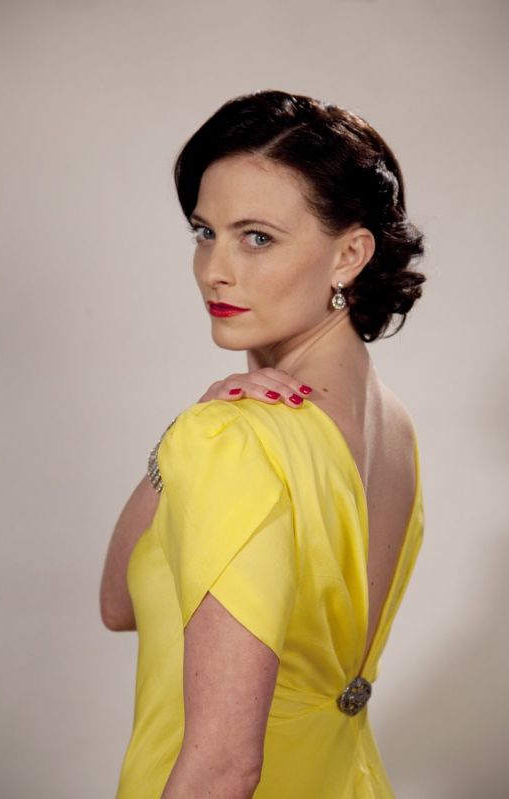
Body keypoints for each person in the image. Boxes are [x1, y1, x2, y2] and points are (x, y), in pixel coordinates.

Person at [99, 89, 426, 799]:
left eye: (256, 237)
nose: (214, 269)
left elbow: (223, 766)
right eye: (204, 232)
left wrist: (193, 434)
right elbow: (121, 604)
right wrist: (184, 439)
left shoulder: (234, 438)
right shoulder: (394, 428)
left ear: (350, 253)